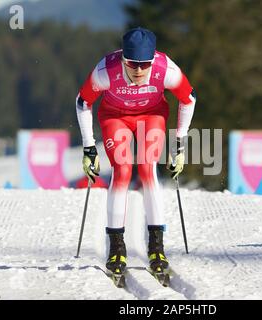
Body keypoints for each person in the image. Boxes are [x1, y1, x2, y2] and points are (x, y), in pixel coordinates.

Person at [75, 27, 196, 276]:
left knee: (147, 168)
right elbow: (83, 102)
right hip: (115, 117)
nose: (139, 70)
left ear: (153, 60)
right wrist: (89, 147)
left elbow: (189, 99)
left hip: (151, 115)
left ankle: (156, 247)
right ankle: (116, 248)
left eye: (144, 64)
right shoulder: (105, 72)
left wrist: (180, 144)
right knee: (122, 170)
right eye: (132, 63)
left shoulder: (167, 70)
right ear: (122, 59)